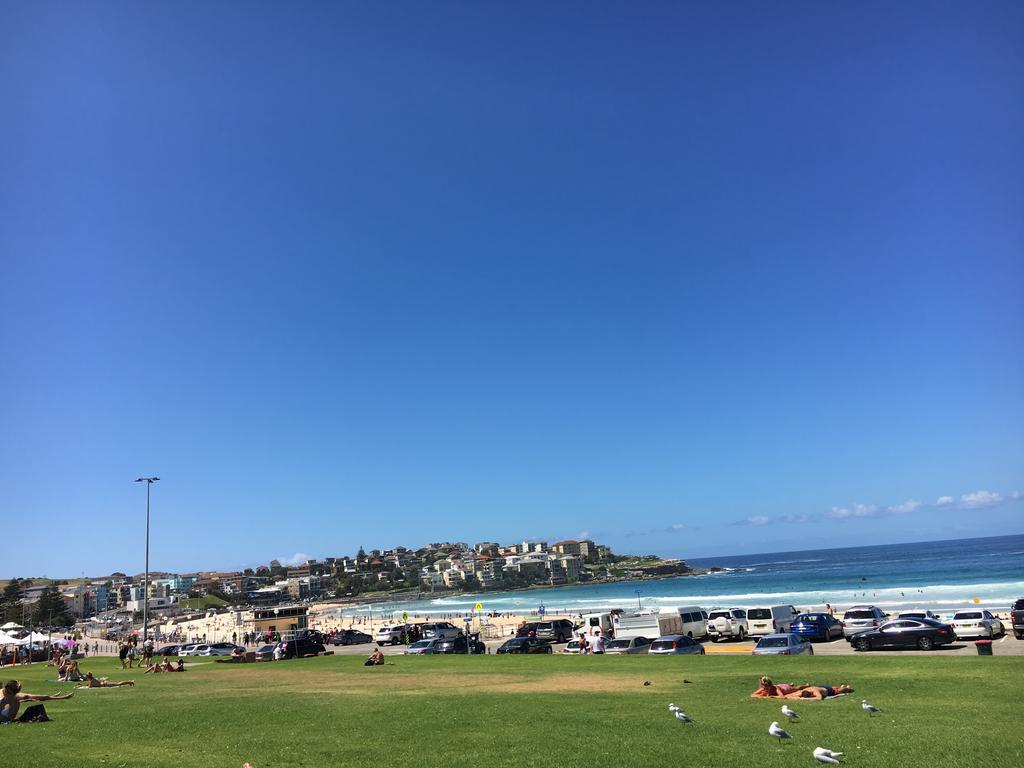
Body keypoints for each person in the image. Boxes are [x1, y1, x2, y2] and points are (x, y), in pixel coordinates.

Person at [1, 679, 72, 723]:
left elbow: (40, 697)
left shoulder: (14, 698)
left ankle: (58, 697)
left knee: (20, 700)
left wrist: (61, 698)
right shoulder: (5, 698)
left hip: (6, 717)